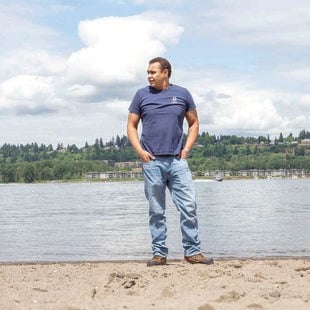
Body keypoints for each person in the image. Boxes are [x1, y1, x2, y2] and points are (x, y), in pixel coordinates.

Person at [127, 57, 214, 266]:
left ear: (165, 72)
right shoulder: (141, 95)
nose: (149, 76)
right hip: (152, 162)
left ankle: (192, 252)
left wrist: (186, 149)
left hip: (177, 161)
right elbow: (131, 125)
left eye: (153, 72)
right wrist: (140, 151)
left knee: (189, 206)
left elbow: (193, 123)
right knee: (156, 210)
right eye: (147, 72)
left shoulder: (182, 94)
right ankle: (159, 254)